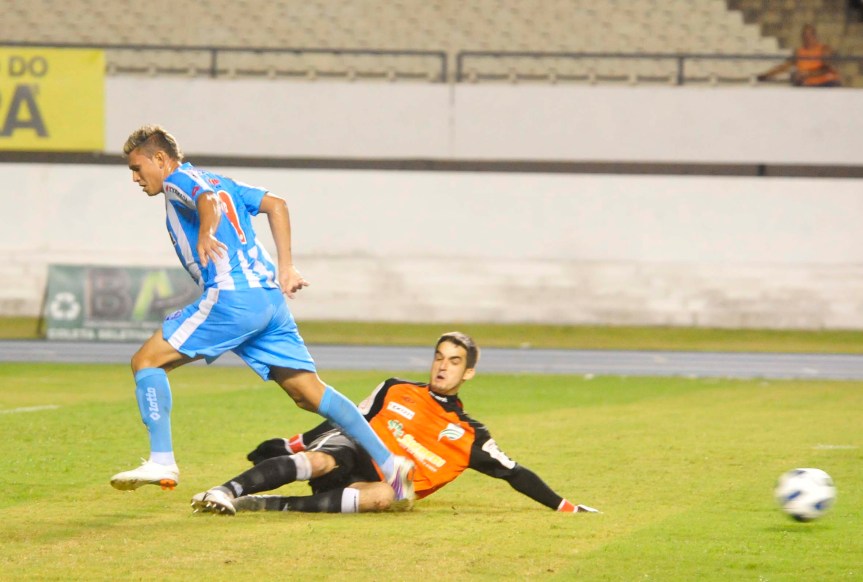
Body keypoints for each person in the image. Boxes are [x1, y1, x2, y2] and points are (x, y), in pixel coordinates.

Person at [110, 125, 414, 505]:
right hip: (269, 301)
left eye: (137, 168)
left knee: (146, 362)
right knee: (308, 392)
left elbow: (207, 200)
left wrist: (206, 232)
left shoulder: (178, 181)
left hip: (233, 298)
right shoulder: (224, 181)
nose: (136, 178)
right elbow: (277, 205)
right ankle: (390, 464)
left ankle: (162, 461)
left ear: (160, 158)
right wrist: (286, 266)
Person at [190, 332, 599, 515]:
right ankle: (225, 491)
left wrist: (565, 506)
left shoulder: (470, 435)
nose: (443, 366)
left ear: (468, 372)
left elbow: (515, 472)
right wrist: (292, 443)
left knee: (387, 497)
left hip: (376, 482)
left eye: (454, 361)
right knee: (322, 460)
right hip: (352, 451)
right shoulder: (395, 389)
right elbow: (348, 418)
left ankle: (264, 505)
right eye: (439, 357)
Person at [757, 24, 841, 87]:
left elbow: (827, 68)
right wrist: (766, 75)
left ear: (815, 36)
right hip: (809, 86)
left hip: (826, 83)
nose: (807, 39)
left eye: (809, 36)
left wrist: (807, 73)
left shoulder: (824, 49)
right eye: (804, 36)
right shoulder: (799, 52)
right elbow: (784, 67)